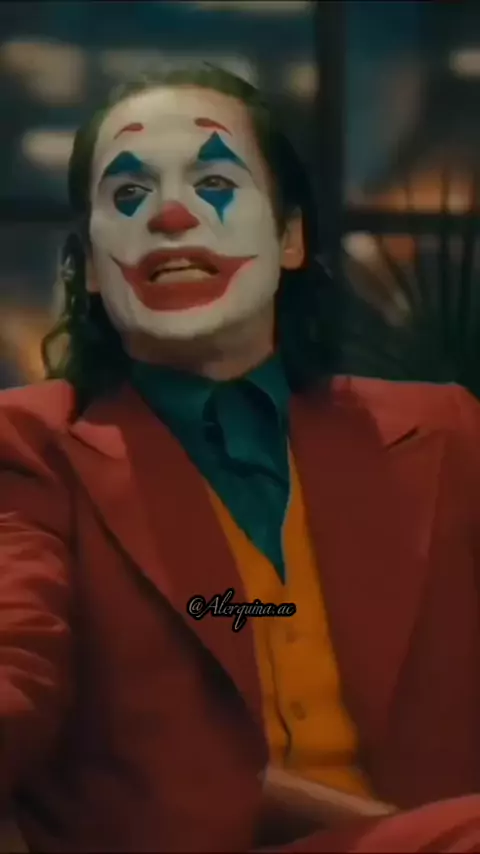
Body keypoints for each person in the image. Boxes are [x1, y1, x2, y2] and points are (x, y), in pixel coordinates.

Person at [1, 64, 480, 853]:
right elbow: (13, 655)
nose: (171, 214)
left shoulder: (447, 434)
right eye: (129, 194)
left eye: (215, 182)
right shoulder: (30, 448)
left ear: (290, 238)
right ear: (90, 270)